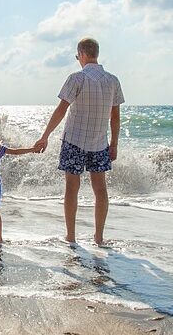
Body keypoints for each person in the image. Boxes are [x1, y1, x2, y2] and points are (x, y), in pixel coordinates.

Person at [32, 37, 124, 246]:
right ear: (96, 54)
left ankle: (71, 236)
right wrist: (115, 144)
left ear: (81, 54)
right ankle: (99, 237)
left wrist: (45, 135)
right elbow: (115, 117)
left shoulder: (77, 78)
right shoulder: (112, 80)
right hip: (100, 143)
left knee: (71, 189)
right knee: (100, 189)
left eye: (77, 56)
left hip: (74, 141)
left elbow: (61, 110)